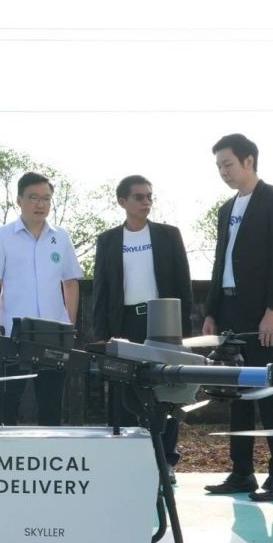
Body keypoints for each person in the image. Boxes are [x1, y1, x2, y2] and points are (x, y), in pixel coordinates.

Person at [201, 134, 273, 502]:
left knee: (270, 391)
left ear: (249, 161)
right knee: (235, 392)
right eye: (218, 166)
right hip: (227, 310)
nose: (223, 171)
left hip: (260, 312)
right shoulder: (227, 209)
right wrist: (211, 311)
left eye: (227, 164)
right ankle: (242, 472)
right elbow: (219, 261)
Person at [91, 174, 192, 482]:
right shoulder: (108, 240)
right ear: (122, 201)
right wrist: (101, 334)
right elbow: (101, 289)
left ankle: (166, 460)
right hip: (123, 323)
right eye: (139, 197)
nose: (146, 202)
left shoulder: (168, 235)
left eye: (149, 196)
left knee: (166, 390)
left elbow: (183, 283)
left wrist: (183, 329)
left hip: (163, 323)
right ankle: (128, 459)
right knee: (124, 389)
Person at [0, 171, 82, 426]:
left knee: (51, 404)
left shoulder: (61, 237)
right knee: (7, 404)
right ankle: (5, 448)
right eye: (34, 197)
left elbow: (71, 283)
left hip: (53, 333)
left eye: (46, 198)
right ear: (19, 200)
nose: (40, 204)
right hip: (13, 332)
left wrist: (69, 325)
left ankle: (50, 448)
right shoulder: (2, 236)